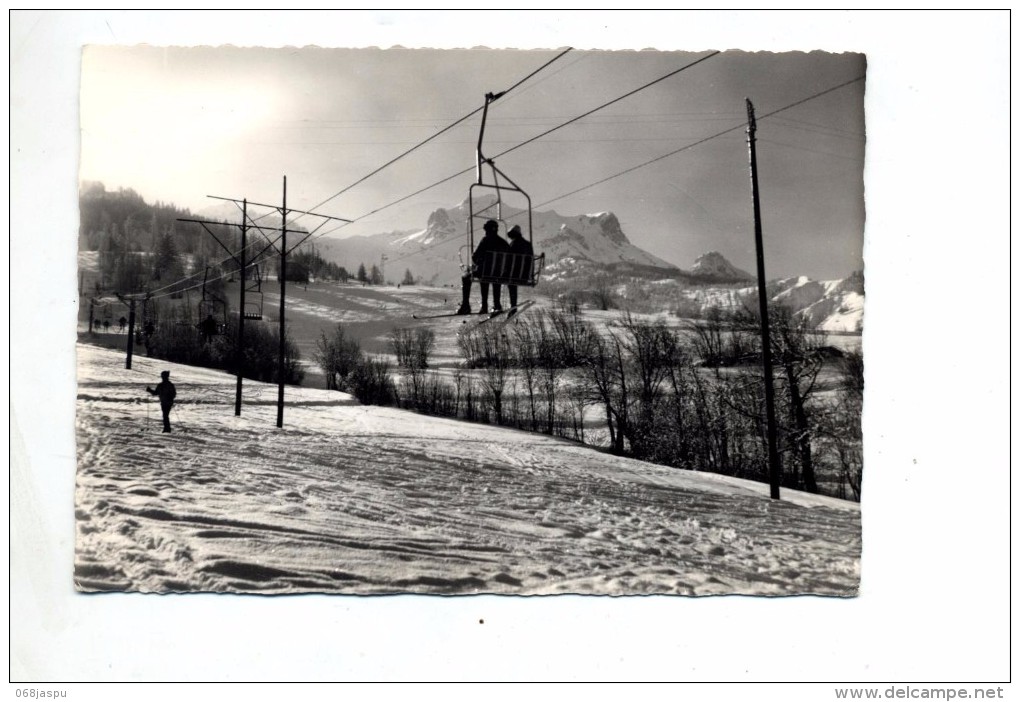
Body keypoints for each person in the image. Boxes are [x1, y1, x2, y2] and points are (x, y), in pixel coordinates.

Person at [456, 219, 509, 314]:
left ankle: (468, 306)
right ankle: (497, 304)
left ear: (487, 230)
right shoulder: (504, 243)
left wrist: (478, 262)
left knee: (467, 277)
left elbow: (475, 257)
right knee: (493, 276)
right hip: (499, 274)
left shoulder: (485, 240)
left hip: (485, 273)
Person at [505, 224, 534, 309]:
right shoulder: (528, 244)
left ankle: (511, 305)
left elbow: (508, 260)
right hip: (524, 275)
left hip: (513, 274)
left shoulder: (513, 245)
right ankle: (513, 306)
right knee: (512, 283)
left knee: (511, 284)